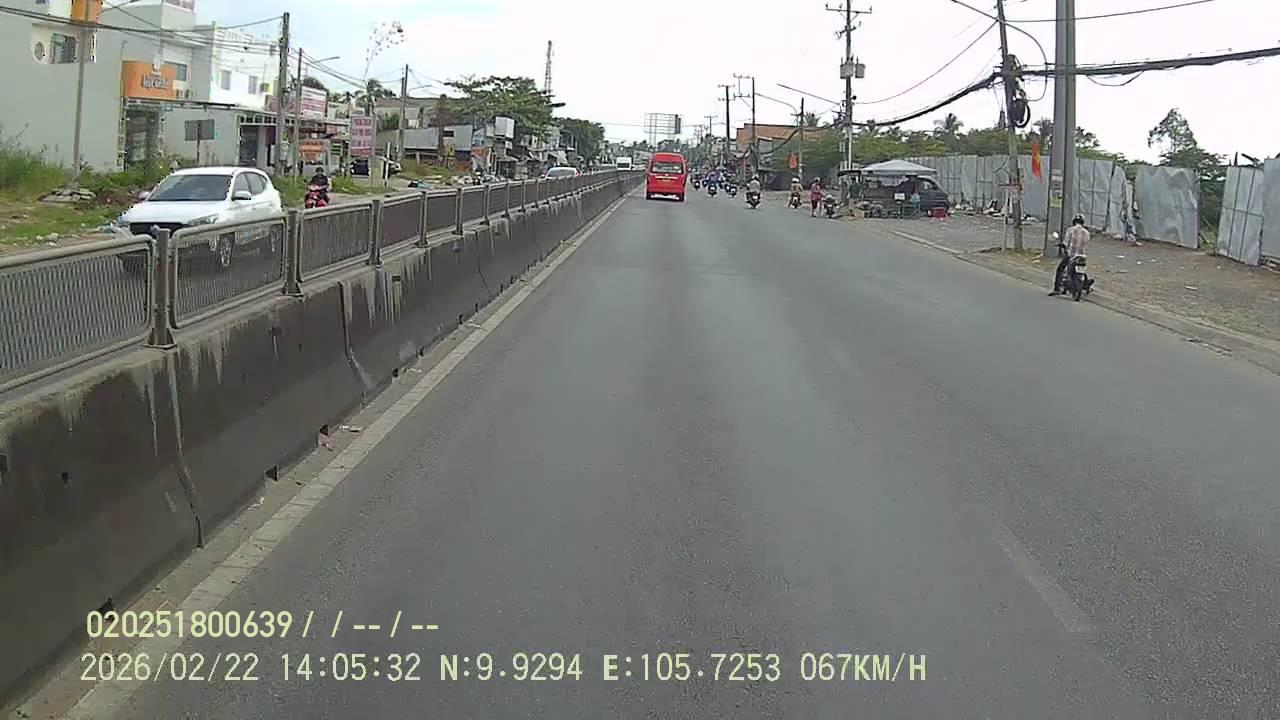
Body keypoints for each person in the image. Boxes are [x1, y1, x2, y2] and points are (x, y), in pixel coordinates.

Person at [1050, 214, 1090, 296]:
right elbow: (1086, 244)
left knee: (1060, 269)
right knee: (1082, 269)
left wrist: (1062, 245)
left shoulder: (1070, 230)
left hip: (1071, 255)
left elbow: (1065, 242)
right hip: (1082, 256)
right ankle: (1086, 282)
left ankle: (1056, 289)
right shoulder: (1086, 233)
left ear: (1074, 221)